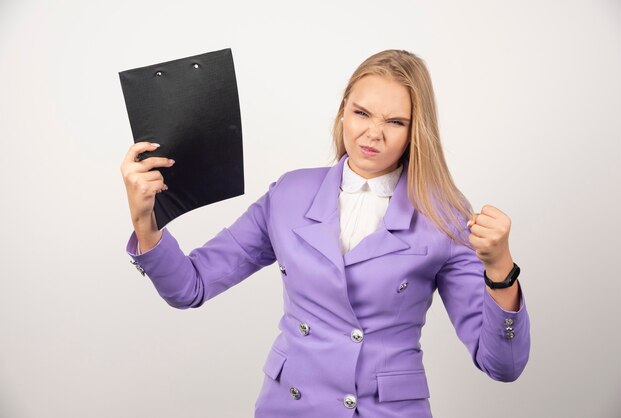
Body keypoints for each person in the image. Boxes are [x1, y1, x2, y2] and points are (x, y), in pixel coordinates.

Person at [120, 49, 530, 418]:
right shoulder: (290, 194)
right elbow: (191, 287)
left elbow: (502, 365)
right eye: (362, 113)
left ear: (415, 131)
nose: (373, 133)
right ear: (342, 112)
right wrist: (146, 223)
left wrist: (500, 269)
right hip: (290, 408)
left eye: (395, 121)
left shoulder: (445, 214)